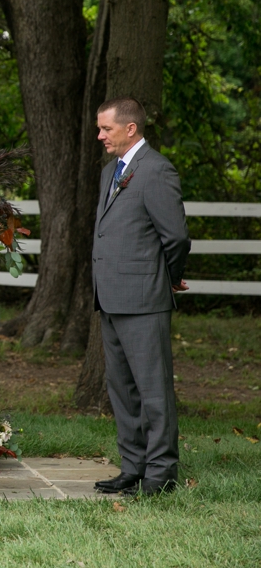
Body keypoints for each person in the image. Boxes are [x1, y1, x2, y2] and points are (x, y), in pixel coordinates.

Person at [92, 97, 191, 497]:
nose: (100, 136)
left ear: (130, 128)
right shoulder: (108, 173)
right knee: (122, 390)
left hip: (145, 299)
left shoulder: (157, 170)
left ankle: (161, 473)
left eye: (106, 129)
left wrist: (169, 278)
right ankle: (132, 468)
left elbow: (176, 237)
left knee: (153, 391)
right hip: (110, 297)